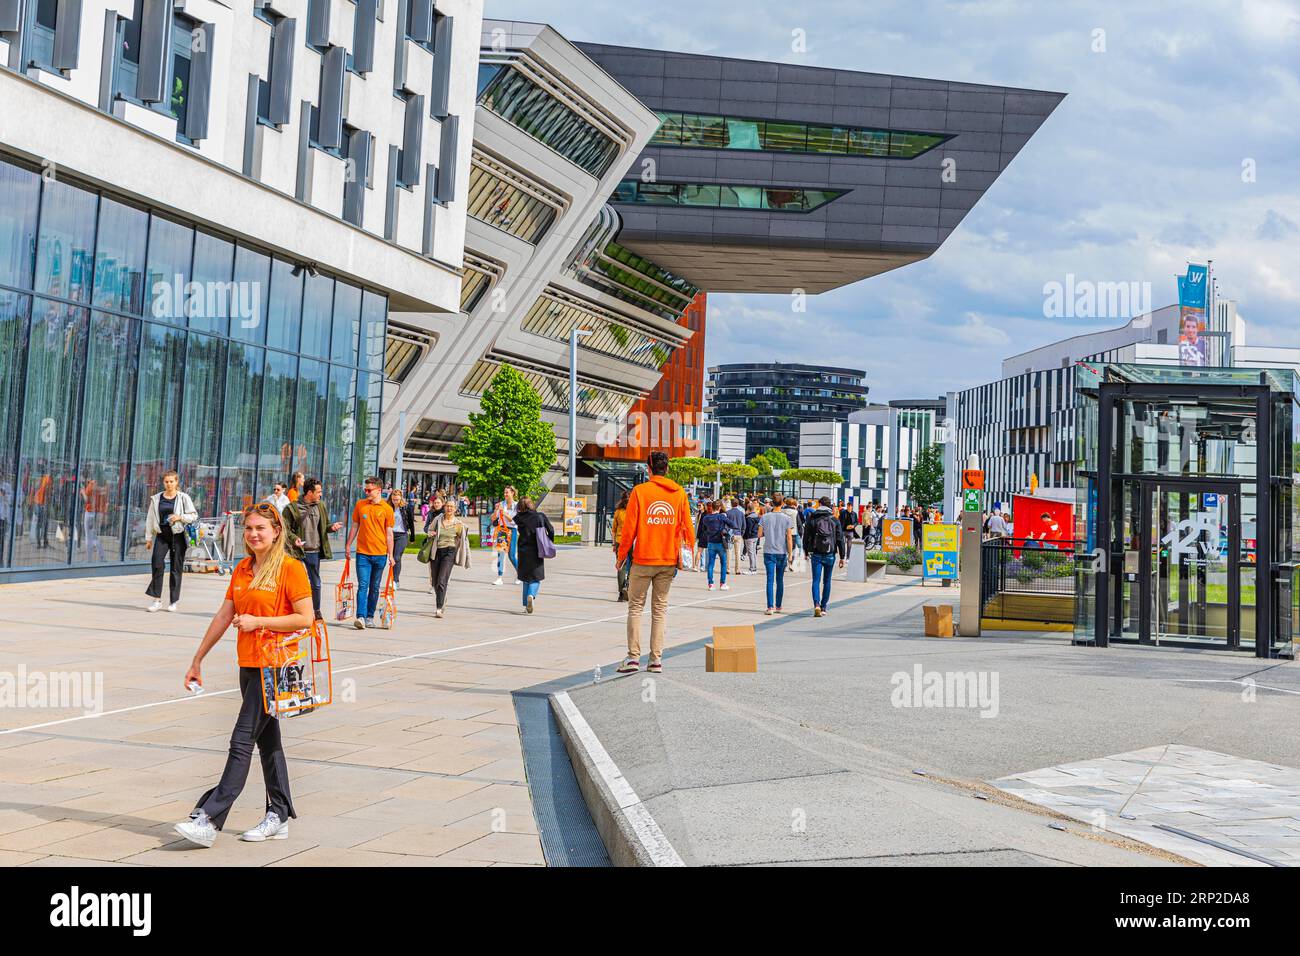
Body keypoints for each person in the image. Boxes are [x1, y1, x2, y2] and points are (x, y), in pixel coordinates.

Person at [173, 501, 312, 848]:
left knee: (241, 739)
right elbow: (224, 616)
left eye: (260, 528)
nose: (253, 534)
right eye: (248, 528)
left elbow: (305, 618)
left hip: (278, 666)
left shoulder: (290, 569)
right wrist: (197, 658)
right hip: (249, 664)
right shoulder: (243, 569)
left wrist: (259, 621)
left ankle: (210, 817)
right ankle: (279, 814)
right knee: (268, 742)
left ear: (276, 531)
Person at [615, 451, 694, 674]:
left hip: (643, 559)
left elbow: (629, 530)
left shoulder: (640, 492)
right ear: (666, 469)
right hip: (668, 560)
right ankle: (655, 660)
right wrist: (688, 553)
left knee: (636, 608)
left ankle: (633, 658)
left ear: (648, 469)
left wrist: (621, 557)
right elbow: (688, 527)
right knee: (659, 610)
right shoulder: (679, 493)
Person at [281, 477, 342, 620]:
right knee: (294, 583)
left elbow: (325, 525)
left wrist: (332, 527)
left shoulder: (320, 506)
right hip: (296, 552)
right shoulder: (291, 508)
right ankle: (290, 609)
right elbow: (285, 528)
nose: (321, 494)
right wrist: (293, 539)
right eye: (319, 492)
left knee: (316, 583)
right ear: (309, 492)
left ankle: (316, 610)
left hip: (313, 551)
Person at [345, 476, 394, 629]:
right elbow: (354, 526)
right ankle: (360, 616)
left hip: (380, 554)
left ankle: (369, 617)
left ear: (379, 490)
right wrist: (348, 545)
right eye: (365, 489)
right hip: (362, 553)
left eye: (369, 490)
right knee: (363, 585)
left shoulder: (387, 509)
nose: (366, 492)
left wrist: (391, 555)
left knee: (375, 587)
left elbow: (389, 534)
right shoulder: (360, 505)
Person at [145, 471, 198, 612]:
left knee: (176, 568)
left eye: (171, 481)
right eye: (166, 482)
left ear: (176, 482)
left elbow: (194, 515)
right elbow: (150, 518)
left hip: (178, 535)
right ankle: (156, 600)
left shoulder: (183, 498)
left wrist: (179, 517)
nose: (169, 484)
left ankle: (173, 601)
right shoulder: (156, 498)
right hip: (162, 535)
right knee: (157, 563)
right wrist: (148, 538)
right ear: (163, 483)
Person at [418, 498, 470, 617]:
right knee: (435, 582)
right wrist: (430, 533)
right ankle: (442, 597)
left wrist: (464, 555)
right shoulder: (438, 519)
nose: (449, 508)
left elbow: (463, 539)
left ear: (455, 509)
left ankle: (439, 608)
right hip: (436, 551)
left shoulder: (458, 524)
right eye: (447, 506)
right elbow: (430, 529)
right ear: (445, 507)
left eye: (452, 506)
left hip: (449, 552)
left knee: (442, 580)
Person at [513, 497, 555, 613]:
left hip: (523, 550)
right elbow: (551, 530)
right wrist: (550, 541)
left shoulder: (518, 518)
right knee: (536, 578)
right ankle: (531, 595)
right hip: (537, 550)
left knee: (526, 578)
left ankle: (526, 606)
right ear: (531, 504)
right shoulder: (540, 516)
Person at [804, 496, 844, 618]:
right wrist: (842, 556)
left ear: (819, 504)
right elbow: (840, 539)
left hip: (816, 553)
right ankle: (823, 607)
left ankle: (816, 604)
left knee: (816, 581)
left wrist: (805, 550)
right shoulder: (834, 520)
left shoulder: (812, 518)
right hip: (830, 554)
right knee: (827, 581)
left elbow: (806, 536)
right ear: (829, 505)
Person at [759, 501, 795, 615]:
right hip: (781, 551)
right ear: (782, 503)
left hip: (769, 551)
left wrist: (768, 533)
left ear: (772, 503)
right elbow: (789, 537)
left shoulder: (765, 517)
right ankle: (778, 606)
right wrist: (790, 554)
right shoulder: (787, 518)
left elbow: (759, 534)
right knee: (780, 580)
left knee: (770, 580)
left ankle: (770, 607)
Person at [699, 499, 732, 591]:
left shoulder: (706, 518)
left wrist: (709, 532)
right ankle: (722, 583)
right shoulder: (721, 517)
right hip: (720, 542)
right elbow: (732, 524)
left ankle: (711, 584)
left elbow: (703, 529)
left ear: (712, 507)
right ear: (720, 507)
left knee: (710, 564)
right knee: (723, 563)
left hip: (710, 542)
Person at [491, 486, 519, 586]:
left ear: (512, 493)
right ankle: (499, 577)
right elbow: (493, 518)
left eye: (507, 492)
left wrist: (504, 512)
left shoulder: (517, 505)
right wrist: (496, 510)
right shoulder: (501, 504)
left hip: (512, 530)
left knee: (511, 555)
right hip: (502, 530)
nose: (505, 494)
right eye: (504, 492)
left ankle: (520, 574)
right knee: (501, 554)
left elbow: (513, 520)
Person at [389, 490, 415, 591]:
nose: (395, 500)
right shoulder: (388, 508)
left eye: (397, 498)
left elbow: (411, 522)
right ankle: (394, 579)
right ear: (391, 498)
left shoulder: (406, 508)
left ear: (401, 498)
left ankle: (395, 580)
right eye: (394, 498)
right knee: (390, 558)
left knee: (396, 557)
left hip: (402, 535)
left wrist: (412, 536)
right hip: (390, 535)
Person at [611, 490, 630, 600]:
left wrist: (614, 544)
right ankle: (628, 586)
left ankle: (621, 594)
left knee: (620, 566)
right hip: (631, 542)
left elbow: (613, 530)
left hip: (619, 541)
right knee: (632, 566)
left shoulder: (618, 512)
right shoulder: (634, 511)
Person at [725, 496, 745, 574]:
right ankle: (737, 570)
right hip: (738, 533)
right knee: (737, 553)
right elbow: (744, 525)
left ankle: (728, 569)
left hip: (730, 533)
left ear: (731, 504)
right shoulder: (741, 513)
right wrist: (741, 533)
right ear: (738, 504)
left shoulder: (728, 513)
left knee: (729, 552)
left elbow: (725, 524)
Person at [742, 501, 761, 574]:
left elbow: (748, 529)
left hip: (749, 537)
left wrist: (744, 536)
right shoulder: (757, 516)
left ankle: (752, 569)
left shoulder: (749, 518)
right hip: (755, 536)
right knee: (753, 552)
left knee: (750, 553)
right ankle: (754, 568)